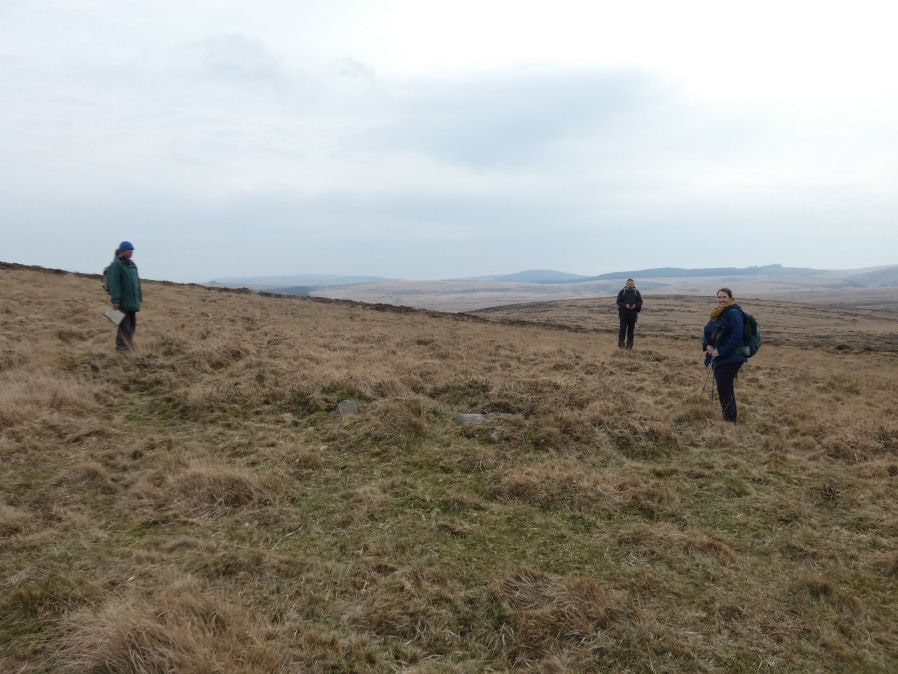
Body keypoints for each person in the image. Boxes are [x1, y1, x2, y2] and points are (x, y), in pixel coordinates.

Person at [702, 288, 747, 422]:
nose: (721, 300)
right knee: (724, 388)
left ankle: (730, 420)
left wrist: (721, 351)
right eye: (719, 297)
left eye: (724, 297)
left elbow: (736, 337)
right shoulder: (718, 313)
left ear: (730, 298)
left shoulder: (733, 313)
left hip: (731, 357)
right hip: (719, 357)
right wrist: (707, 345)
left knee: (724, 388)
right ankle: (729, 418)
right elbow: (707, 330)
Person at [107, 241, 142, 352]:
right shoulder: (116, 265)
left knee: (131, 327)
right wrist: (115, 301)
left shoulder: (132, 265)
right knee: (124, 327)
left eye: (132, 250)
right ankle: (122, 350)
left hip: (132, 303)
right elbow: (114, 284)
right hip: (122, 303)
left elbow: (137, 282)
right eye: (129, 250)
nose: (131, 252)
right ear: (122, 251)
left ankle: (127, 346)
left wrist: (139, 298)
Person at [616, 278, 643, 349]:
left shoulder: (636, 292)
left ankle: (629, 347)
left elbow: (640, 302)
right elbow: (618, 302)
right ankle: (621, 345)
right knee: (622, 329)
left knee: (631, 331)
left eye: (632, 284)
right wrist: (625, 305)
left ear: (633, 284)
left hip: (633, 315)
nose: (630, 285)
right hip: (623, 314)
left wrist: (635, 305)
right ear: (626, 284)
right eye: (629, 284)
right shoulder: (622, 292)